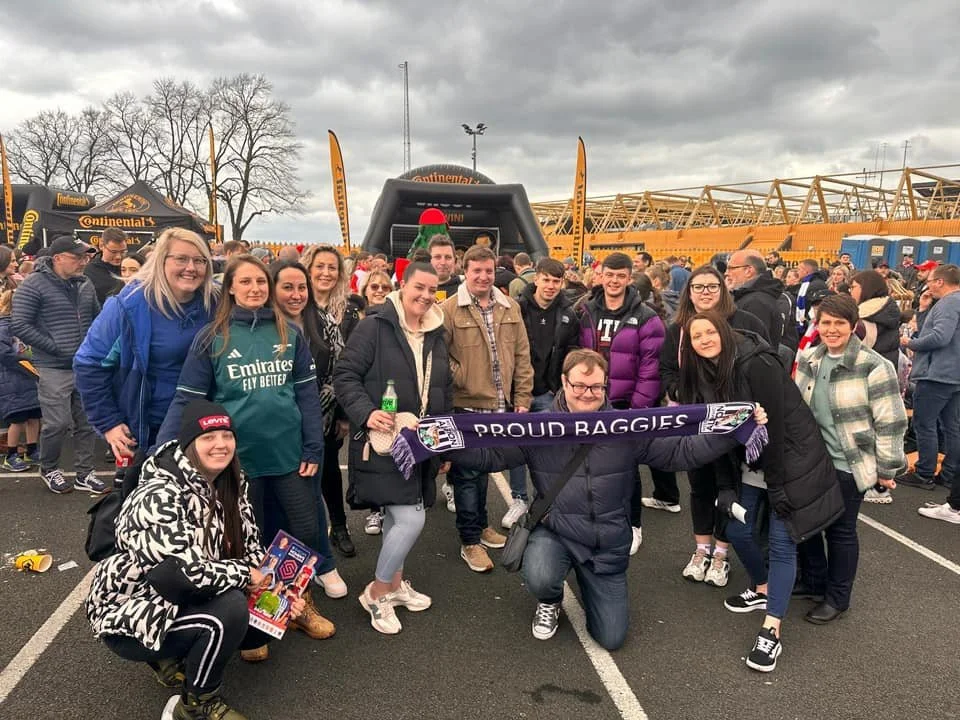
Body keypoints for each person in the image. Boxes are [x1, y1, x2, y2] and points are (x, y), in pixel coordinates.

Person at [448, 349, 769, 650]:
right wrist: (442, 446)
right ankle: (550, 599)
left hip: (606, 541)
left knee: (611, 637)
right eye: (579, 385)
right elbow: (491, 455)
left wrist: (735, 430)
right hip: (556, 529)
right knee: (541, 574)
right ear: (564, 382)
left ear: (605, 386)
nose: (587, 393)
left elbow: (680, 452)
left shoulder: (626, 427)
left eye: (596, 387)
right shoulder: (539, 427)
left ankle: (590, 582)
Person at [86, 400, 305, 720]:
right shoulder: (160, 493)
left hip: (182, 595)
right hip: (134, 610)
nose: (220, 444)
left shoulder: (231, 482)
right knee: (230, 610)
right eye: (208, 437)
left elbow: (250, 549)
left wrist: (279, 590)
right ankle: (195, 704)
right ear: (189, 443)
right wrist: (248, 575)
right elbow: (181, 577)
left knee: (269, 620)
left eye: (227, 435)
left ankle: (174, 657)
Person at [157, 255, 331, 647]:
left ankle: (300, 604)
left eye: (261, 282)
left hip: (288, 455)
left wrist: (313, 446)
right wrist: (162, 452)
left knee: (304, 531)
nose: (255, 288)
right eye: (246, 281)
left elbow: (307, 396)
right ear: (231, 288)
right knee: (246, 541)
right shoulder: (212, 337)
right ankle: (258, 622)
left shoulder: (289, 332)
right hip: (236, 462)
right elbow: (187, 399)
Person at [677, 312, 842, 672]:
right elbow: (718, 435)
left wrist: (778, 486)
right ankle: (763, 587)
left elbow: (778, 429)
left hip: (787, 460)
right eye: (696, 336)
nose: (704, 339)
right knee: (737, 530)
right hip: (751, 461)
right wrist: (725, 486)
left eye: (709, 331)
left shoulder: (758, 363)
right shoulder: (704, 374)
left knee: (782, 543)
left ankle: (772, 631)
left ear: (724, 331)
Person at [334, 262, 452, 633]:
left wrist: (444, 446)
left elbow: (442, 390)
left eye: (432, 290)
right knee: (412, 518)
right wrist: (366, 412)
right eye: (419, 287)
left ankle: (396, 584)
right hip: (386, 439)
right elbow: (345, 375)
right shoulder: (374, 326)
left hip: (423, 441)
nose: (426, 296)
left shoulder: (436, 332)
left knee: (396, 519)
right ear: (402, 285)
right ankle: (377, 591)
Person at [75, 228, 216, 493]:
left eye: (200, 260)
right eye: (181, 259)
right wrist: (108, 423)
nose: (191, 267)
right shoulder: (129, 306)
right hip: (148, 431)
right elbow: (89, 364)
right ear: (161, 260)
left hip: (205, 430)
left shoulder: (216, 303)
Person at [794, 294, 907, 624]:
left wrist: (887, 468)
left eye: (839, 323)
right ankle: (814, 582)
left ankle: (837, 598)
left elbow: (891, 421)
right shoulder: (810, 359)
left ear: (853, 325)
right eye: (825, 322)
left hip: (849, 464)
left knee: (840, 532)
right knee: (808, 527)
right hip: (812, 461)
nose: (831, 329)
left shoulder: (875, 366)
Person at [659, 265, 768, 586]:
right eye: (698, 287)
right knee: (700, 485)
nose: (705, 292)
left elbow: (763, 362)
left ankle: (721, 553)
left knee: (728, 486)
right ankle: (701, 549)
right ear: (689, 293)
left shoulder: (745, 323)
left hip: (734, 423)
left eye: (712, 286)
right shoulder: (677, 329)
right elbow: (667, 370)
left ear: (723, 289)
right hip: (695, 421)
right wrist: (683, 392)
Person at [441, 245, 534, 573]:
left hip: (500, 407)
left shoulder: (510, 307)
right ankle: (469, 541)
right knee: (467, 475)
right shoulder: (449, 309)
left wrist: (522, 398)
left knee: (484, 472)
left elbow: (522, 355)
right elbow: (439, 358)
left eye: (488, 271)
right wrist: (461, 376)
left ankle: (481, 527)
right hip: (465, 407)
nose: (483, 276)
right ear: (465, 271)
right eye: (476, 270)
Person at [270, 260, 348, 599]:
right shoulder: (262, 325)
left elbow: (342, 367)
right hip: (274, 428)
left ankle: (323, 564)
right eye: (287, 287)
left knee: (311, 498)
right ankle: (277, 574)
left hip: (318, 421)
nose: (296, 294)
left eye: (301, 287)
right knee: (275, 504)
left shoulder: (323, 320)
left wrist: (339, 413)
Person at [579, 252, 666, 554]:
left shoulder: (647, 317)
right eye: (609, 275)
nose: (614, 281)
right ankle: (595, 520)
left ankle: (633, 525)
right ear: (601, 276)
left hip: (624, 404)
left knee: (627, 468)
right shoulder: (586, 310)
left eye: (620, 276)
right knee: (591, 467)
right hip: (590, 402)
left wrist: (637, 410)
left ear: (629, 278)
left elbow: (651, 370)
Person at [11, 235, 102, 494]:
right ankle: (49, 468)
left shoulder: (85, 284)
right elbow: (20, 325)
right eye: (77, 257)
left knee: (87, 422)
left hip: (85, 365)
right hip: (52, 366)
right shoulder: (34, 284)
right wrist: (54, 347)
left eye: (85, 257)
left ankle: (85, 472)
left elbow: (97, 318)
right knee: (58, 423)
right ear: (58, 258)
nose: (83, 262)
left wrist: (95, 348)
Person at [507, 257, 580, 528]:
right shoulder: (517, 308)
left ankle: (545, 500)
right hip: (520, 391)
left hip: (550, 392)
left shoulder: (569, 314)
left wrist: (560, 387)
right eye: (546, 279)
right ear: (536, 278)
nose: (550, 285)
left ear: (562, 283)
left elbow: (573, 350)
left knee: (548, 451)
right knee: (517, 448)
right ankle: (518, 498)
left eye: (556, 281)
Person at [301, 244, 361, 557]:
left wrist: (344, 414)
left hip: (333, 405)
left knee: (329, 470)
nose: (326, 273)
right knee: (302, 473)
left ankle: (339, 526)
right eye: (320, 266)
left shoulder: (346, 310)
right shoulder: (298, 307)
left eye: (332, 268)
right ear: (308, 269)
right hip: (301, 404)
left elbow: (350, 364)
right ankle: (309, 536)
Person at [898, 264, 960, 495]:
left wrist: (910, 343)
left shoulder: (948, 303)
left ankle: (924, 472)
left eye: (930, 281)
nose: (928, 285)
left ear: (940, 282)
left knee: (924, 423)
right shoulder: (950, 303)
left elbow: (939, 337)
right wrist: (924, 309)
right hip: (953, 374)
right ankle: (949, 473)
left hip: (936, 374)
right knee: (951, 426)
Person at [0, 289, 41, 472]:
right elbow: (4, 354)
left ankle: (32, 449)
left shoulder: (27, 326)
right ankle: (11, 454)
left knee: (34, 415)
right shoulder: (4, 327)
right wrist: (24, 361)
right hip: (12, 380)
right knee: (17, 418)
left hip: (30, 378)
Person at [725, 249, 797, 351]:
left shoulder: (756, 303)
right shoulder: (753, 296)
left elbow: (750, 346)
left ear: (748, 271)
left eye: (730, 268)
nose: (726, 273)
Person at [848, 270, 901, 368]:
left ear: (866, 288)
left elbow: (853, 351)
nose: (850, 292)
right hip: (885, 368)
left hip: (870, 370)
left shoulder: (867, 316)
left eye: (853, 287)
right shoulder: (885, 310)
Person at [85, 228, 127, 304]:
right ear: (101, 246)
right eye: (113, 252)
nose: (118, 257)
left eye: (122, 252)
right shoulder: (88, 271)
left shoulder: (131, 268)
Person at [794, 259, 828, 334]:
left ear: (806, 271)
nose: (797, 272)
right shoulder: (807, 283)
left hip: (811, 326)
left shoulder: (816, 285)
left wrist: (806, 322)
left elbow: (814, 308)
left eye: (799, 269)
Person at [429, 234, 461, 302]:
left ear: (455, 261)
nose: (443, 262)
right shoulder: (417, 289)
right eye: (437, 257)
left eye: (448, 257)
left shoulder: (464, 289)